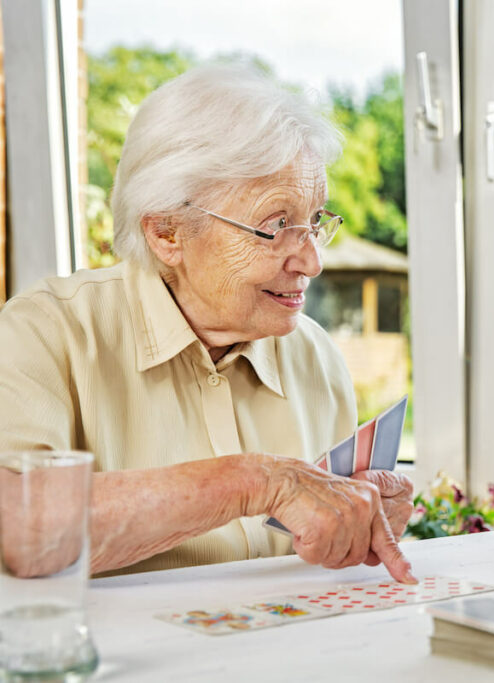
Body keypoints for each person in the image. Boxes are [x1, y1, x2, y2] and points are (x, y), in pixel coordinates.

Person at [0, 65, 415, 582]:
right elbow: (20, 532)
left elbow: (315, 571)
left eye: (316, 222)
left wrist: (359, 525)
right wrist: (255, 482)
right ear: (167, 234)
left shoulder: (314, 355)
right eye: (276, 226)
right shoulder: (43, 333)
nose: (311, 262)